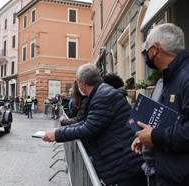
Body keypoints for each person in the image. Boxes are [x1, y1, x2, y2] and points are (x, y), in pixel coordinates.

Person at [43, 64, 146, 186]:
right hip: (124, 162)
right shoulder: (100, 93)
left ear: (82, 83)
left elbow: (88, 128)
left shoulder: (102, 96)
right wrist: (59, 130)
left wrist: (57, 134)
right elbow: (87, 122)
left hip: (125, 165)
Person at [131, 23, 189, 186]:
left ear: (155, 49)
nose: (145, 54)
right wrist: (147, 137)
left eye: (146, 48)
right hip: (170, 174)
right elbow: (172, 121)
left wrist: (154, 136)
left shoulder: (185, 77)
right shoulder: (170, 78)